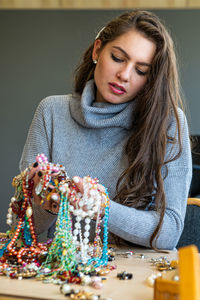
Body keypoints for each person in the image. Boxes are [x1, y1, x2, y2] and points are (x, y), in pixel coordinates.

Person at [19, 10, 192, 250]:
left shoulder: (168, 122)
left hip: (139, 276)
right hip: (63, 273)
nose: (124, 75)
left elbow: (170, 232)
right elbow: (26, 230)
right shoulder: (51, 113)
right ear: (97, 50)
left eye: (141, 71)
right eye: (118, 58)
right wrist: (48, 203)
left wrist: (101, 206)